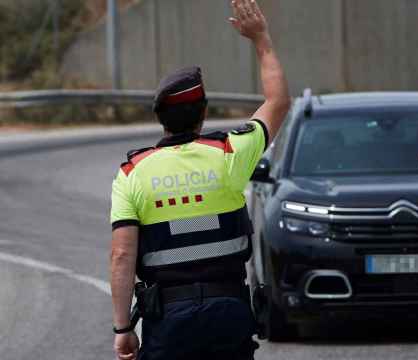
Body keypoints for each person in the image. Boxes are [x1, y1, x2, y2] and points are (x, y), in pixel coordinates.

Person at [109, 0, 290, 358]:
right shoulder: (229, 154)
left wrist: (123, 328)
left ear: (160, 118)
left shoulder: (132, 173)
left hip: (169, 320)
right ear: (203, 112)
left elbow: (121, 254)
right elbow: (279, 102)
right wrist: (261, 39)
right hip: (229, 312)